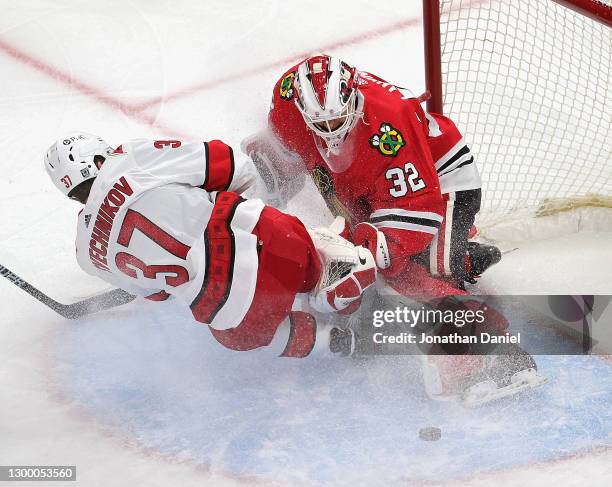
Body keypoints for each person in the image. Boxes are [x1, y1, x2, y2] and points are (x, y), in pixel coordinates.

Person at [242, 55, 545, 404]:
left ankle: (496, 358)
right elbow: (287, 158)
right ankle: (462, 258)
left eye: (339, 119)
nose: (331, 133)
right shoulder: (287, 102)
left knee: (412, 273)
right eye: (320, 124)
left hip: (439, 184)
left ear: (354, 99)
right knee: (383, 270)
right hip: (372, 189)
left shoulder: (391, 126)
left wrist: (378, 250)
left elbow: (420, 206)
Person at [44, 132, 377, 358]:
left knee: (240, 328)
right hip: (267, 243)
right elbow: (228, 164)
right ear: (99, 160)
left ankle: (332, 343)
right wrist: (264, 202)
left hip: (232, 318)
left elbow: (158, 293)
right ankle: (338, 281)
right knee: (284, 242)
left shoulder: (87, 254)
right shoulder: (127, 160)